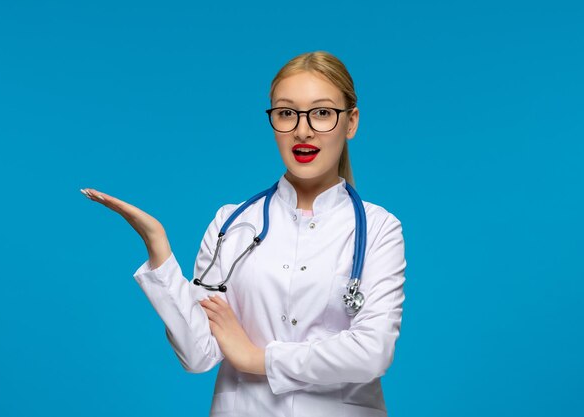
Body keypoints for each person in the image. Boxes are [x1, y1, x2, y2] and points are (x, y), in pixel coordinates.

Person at [80, 51, 407, 417]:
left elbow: (372, 352)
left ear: (351, 122)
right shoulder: (231, 224)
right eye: (286, 113)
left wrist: (257, 358)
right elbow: (199, 353)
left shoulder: (378, 228)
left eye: (322, 112)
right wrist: (159, 250)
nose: (303, 129)